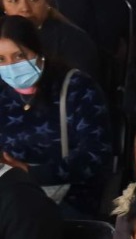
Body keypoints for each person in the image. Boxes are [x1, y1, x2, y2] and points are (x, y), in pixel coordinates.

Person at [0, 14, 110, 217]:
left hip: (72, 197)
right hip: (13, 194)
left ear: (39, 52)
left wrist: (30, 173)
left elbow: (95, 156)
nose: (11, 67)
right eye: (1, 59)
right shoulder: (2, 95)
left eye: (20, 56)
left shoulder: (77, 88)